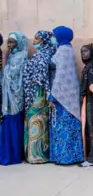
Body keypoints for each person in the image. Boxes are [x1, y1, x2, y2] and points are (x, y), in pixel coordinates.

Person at [48, 26, 83, 165]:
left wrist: (52, 97)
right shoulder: (68, 50)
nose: (52, 37)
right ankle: (72, 156)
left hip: (61, 96)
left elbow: (60, 77)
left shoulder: (62, 52)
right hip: (69, 94)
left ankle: (64, 157)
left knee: (63, 125)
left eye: (54, 35)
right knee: (69, 125)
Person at [23, 30, 56, 164]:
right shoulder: (38, 54)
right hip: (32, 94)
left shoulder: (49, 54)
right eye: (34, 38)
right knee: (32, 122)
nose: (34, 41)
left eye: (37, 38)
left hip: (41, 95)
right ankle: (32, 154)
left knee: (39, 123)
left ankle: (40, 155)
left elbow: (45, 76)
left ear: (44, 40)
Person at [0, 32, 28, 165]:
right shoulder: (12, 55)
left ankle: (13, 156)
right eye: (9, 42)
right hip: (7, 98)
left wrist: (5, 59)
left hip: (15, 98)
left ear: (19, 43)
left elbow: (10, 75)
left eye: (13, 42)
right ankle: (7, 153)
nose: (10, 45)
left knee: (14, 123)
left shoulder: (21, 56)